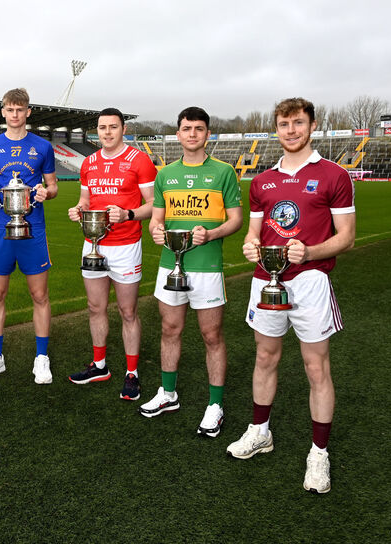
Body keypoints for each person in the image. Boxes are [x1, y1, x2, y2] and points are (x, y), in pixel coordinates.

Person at [226, 97, 355, 494]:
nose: (291, 130)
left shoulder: (334, 175)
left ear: (312, 125)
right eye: (284, 124)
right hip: (267, 279)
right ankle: (260, 431)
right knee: (265, 356)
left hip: (311, 280)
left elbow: (347, 238)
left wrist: (310, 252)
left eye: (298, 123)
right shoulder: (263, 181)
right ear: (276, 129)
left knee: (316, 368)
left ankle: (319, 454)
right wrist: (250, 245)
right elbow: (253, 231)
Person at [139, 107, 243, 438]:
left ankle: (215, 404)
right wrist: (156, 230)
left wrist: (211, 234)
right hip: (171, 265)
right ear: (178, 134)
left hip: (207, 268)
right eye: (187, 128)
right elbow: (157, 217)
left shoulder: (224, 172)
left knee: (212, 335)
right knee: (170, 329)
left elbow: (236, 219)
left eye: (199, 128)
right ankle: (168, 394)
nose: (193, 133)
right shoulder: (165, 174)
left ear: (207, 134)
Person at [67, 107, 156, 400]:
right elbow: (85, 199)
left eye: (113, 127)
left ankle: (132, 373)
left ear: (123, 130)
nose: (107, 132)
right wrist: (78, 210)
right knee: (95, 308)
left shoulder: (139, 160)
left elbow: (154, 205)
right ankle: (100, 365)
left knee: (128, 311)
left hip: (126, 246)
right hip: (93, 244)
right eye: (102, 127)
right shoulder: (89, 162)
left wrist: (128, 214)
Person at [0, 88, 59, 385]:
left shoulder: (43, 147)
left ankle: (41, 358)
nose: (15, 115)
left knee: (39, 295)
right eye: (10, 110)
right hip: (0, 227)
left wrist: (47, 192)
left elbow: (53, 186)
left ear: (28, 112)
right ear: (3, 112)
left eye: (20, 110)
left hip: (33, 228)